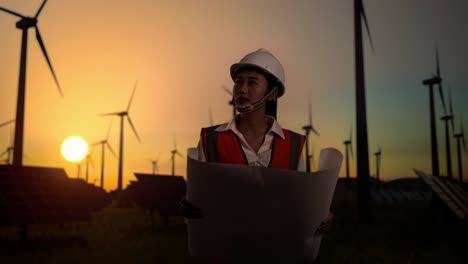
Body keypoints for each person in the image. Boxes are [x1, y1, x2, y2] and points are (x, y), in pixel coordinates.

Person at [181, 48, 333, 252]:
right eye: (238, 82)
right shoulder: (210, 139)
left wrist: (320, 214)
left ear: (273, 94)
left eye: (252, 82)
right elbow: (196, 200)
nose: (241, 89)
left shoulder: (294, 145)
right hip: (224, 255)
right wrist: (187, 207)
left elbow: (300, 203)